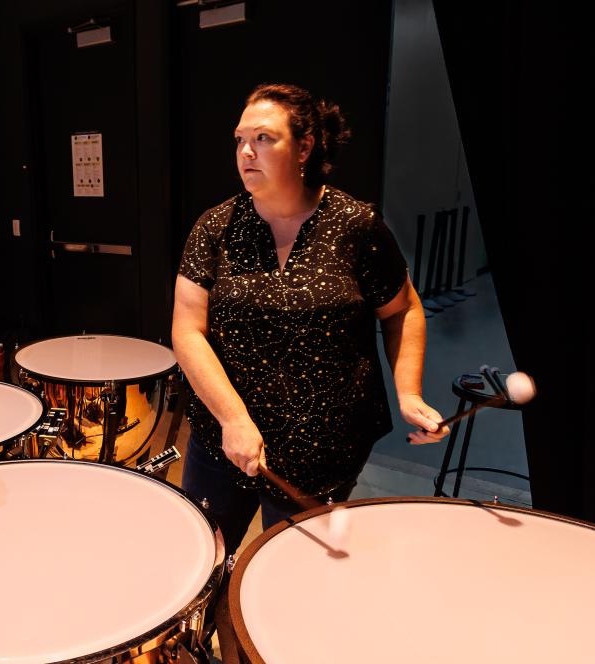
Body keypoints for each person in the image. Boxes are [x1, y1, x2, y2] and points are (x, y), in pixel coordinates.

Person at [172, 83, 448, 557]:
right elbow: (187, 330)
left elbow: (402, 310)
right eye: (240, 139)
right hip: (225, 437)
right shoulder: (215, 227)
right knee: (204, 563)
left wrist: (409, 391)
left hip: (323, 448)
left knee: (289, 578)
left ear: (304, 147)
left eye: (263, 138)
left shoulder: (355, 225)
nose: (245, 151)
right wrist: (233, 419)